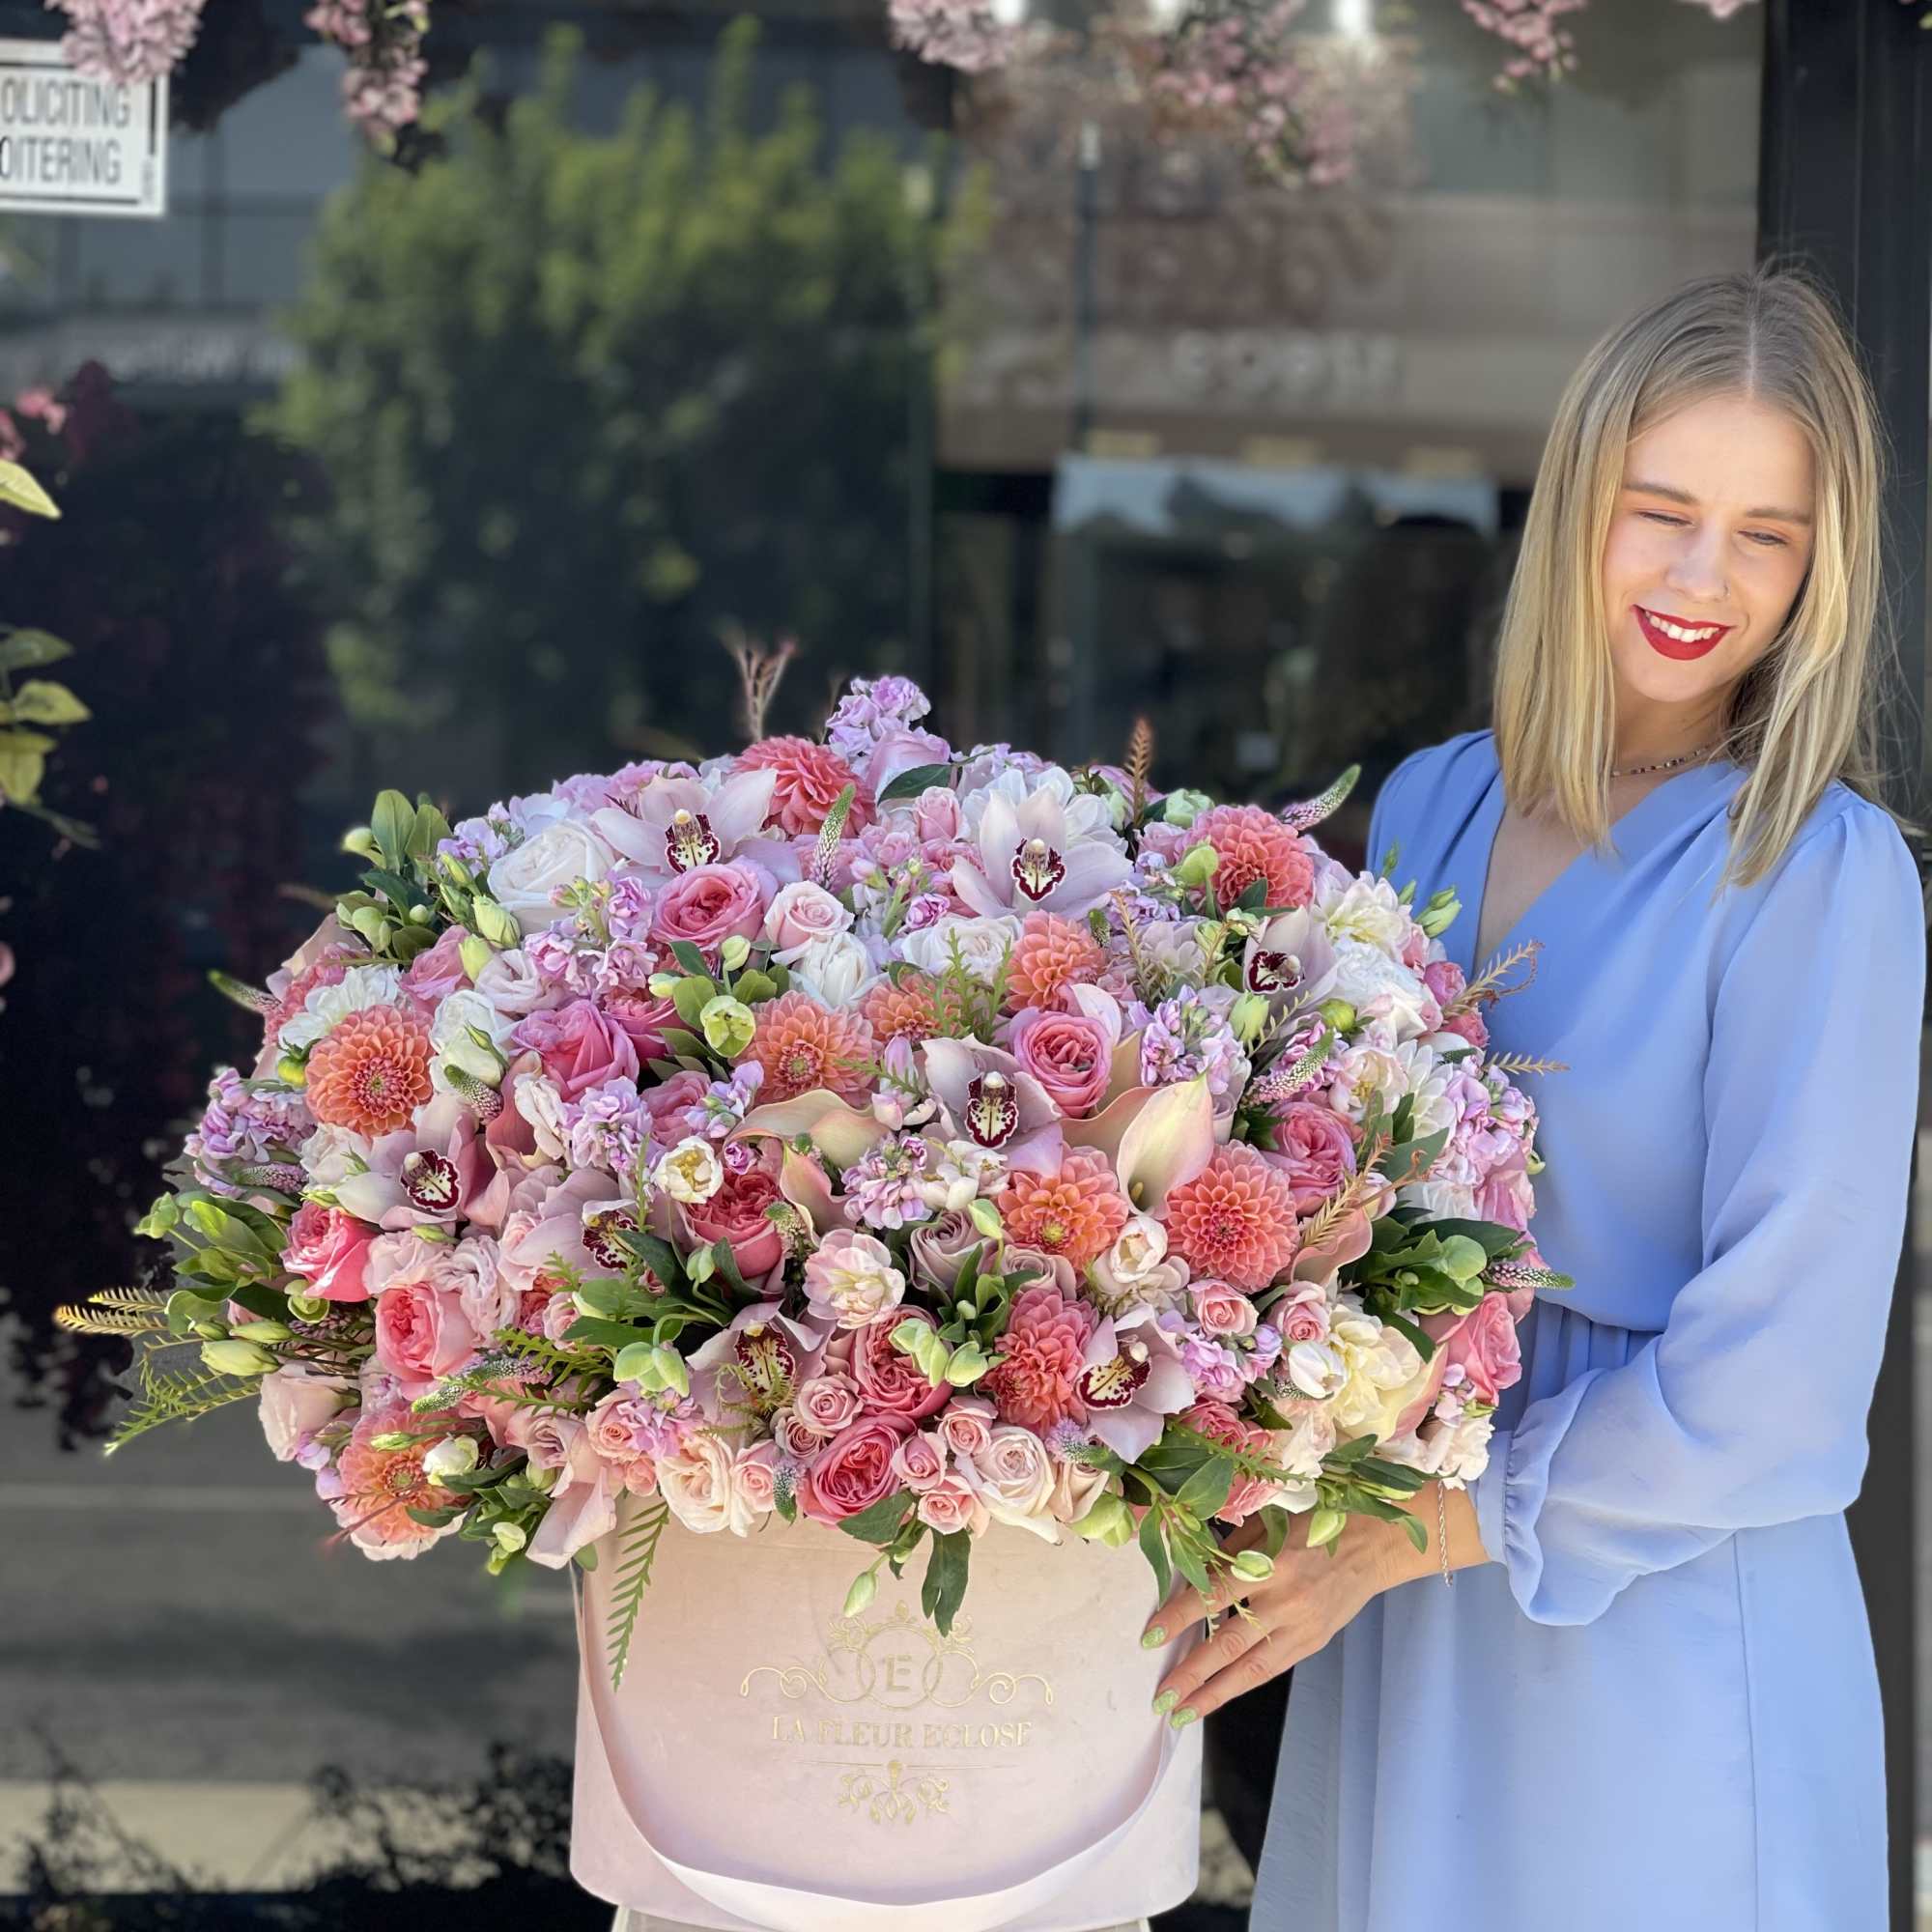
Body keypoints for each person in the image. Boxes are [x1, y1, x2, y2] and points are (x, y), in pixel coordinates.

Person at [1142, 266, 1924, 1930]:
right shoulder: (1434, 802)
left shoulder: (1819, 871)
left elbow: (1783, 1389)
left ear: (1822, 567)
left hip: (1657, 1630)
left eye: (1768, 535)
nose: (1706, 579)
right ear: (1579, 502)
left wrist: (1419, 1527)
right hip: (1396, 1606)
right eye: (1665, 512)